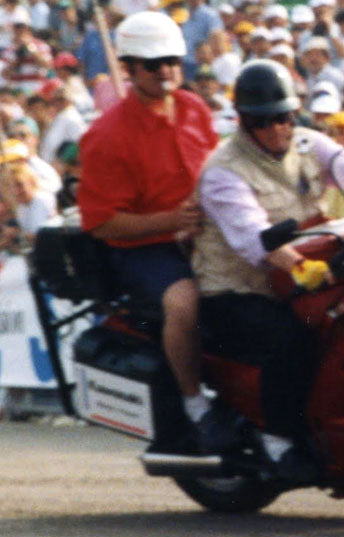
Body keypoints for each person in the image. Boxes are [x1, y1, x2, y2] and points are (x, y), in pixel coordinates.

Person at [194, 60, 344, 482]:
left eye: (284, 117)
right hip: (240, 288)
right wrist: (301, 266)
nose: (277, 130)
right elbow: (252, 236)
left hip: (304, 280)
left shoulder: (309, 144)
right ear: (245, 121)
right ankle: (279, 440)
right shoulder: (223, 170)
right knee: (290, 338)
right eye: (263, 121)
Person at [76, 11, 231, 453]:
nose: (165, 71)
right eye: (152, 63)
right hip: (144, 247)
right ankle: (195, 405)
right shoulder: (106, 135)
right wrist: (170, 221)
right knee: (184, 303)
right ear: (128, 69)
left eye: (171, 61)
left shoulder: (195, 108)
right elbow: (101, 222)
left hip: (202, 233)